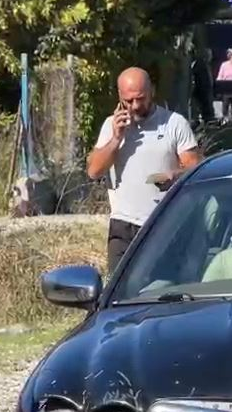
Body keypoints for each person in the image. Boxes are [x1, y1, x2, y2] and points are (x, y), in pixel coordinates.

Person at [86, 68, 203, 274]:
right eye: (128, 101)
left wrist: (175, 176)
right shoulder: (111, 126)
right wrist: (116, 139)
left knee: (164, 288)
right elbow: (94, 171)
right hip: (124, 225)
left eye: (141, 99)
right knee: (119, 295)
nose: (136, 106)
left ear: (152, 92)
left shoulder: (174, 124)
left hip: (164, 222)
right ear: (120, 98)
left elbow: (196, 170)